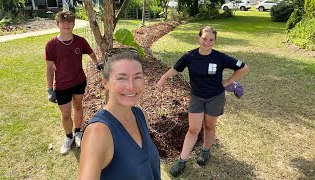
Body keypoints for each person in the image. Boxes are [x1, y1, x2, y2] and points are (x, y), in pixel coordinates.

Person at [156, 26, 249, 177]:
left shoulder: (220, 57)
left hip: (215, 97)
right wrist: (163, 77)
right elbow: (176, 68)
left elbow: (244, 67)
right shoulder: (189, 56)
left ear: (214, 41)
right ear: (198, 38)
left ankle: (205, 151)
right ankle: (182, 160)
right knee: (193, 129)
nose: (207, 42)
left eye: (211, 40)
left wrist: (228, 82)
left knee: (209, 126)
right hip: (197, 97)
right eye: (204, 38)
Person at [78, 48, 161, 180]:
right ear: (105, 83)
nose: (131, 86)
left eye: (137, 77)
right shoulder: (98, 133)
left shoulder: (141, 115)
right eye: (121, 78)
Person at [45, 11, 103, 155]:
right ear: (57, 24)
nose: (66, 25)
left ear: (73, 24)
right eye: (63, 22)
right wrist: (49, 89)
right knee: (65, 114)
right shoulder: (51, 44)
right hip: (62, 85)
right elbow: (49, 68)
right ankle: (68, 137)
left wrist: (97, 64)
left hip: (79, 81)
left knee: (78, 107)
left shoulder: (80, 41)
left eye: (70, 22)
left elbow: (90, 52)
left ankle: (77, 133)